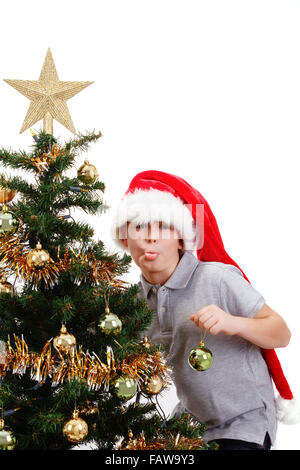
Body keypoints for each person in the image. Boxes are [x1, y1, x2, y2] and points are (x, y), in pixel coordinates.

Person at [111, 170, 299, 450]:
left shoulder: (217, 278)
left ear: (180, 238)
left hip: (243, 422)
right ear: (125, 239)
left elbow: (281, 334)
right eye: (139, 227)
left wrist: (233, 323)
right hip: (189, 423)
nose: (150, 237)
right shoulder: (129, 303)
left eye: (162, 226)